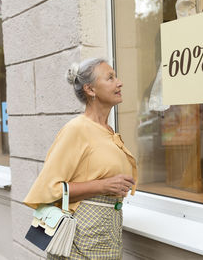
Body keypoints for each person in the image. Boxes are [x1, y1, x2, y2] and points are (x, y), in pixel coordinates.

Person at [23, 58, 138, 259]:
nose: (119, 82)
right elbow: (49, 189)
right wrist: (103, 186)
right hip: (82, 235)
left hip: (107, 231)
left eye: (116, 77)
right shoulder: (76, 129)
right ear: (90, 90)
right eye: (110, 78)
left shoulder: (108, 131)